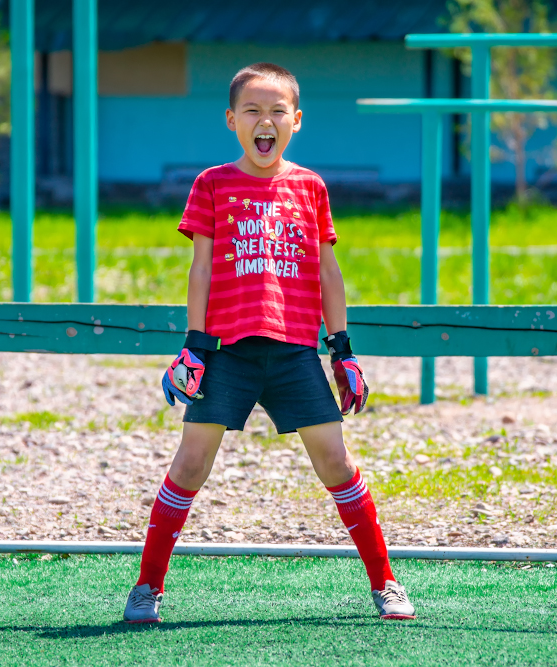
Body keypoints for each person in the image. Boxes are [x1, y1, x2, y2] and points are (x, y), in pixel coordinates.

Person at [123, 62, 415, 623]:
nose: (266, 121)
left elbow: (329, 272)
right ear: (232, 120)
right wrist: (192, 346)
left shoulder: (311, 187)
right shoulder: (211, 183)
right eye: (252, 110)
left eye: (277, 110)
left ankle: (386, 582)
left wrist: (343, 350)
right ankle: (146, 587)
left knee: (336, 462)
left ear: (296, 120)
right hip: (226, 350)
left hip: (294, 350)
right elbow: (200, 269)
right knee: (189, 465)